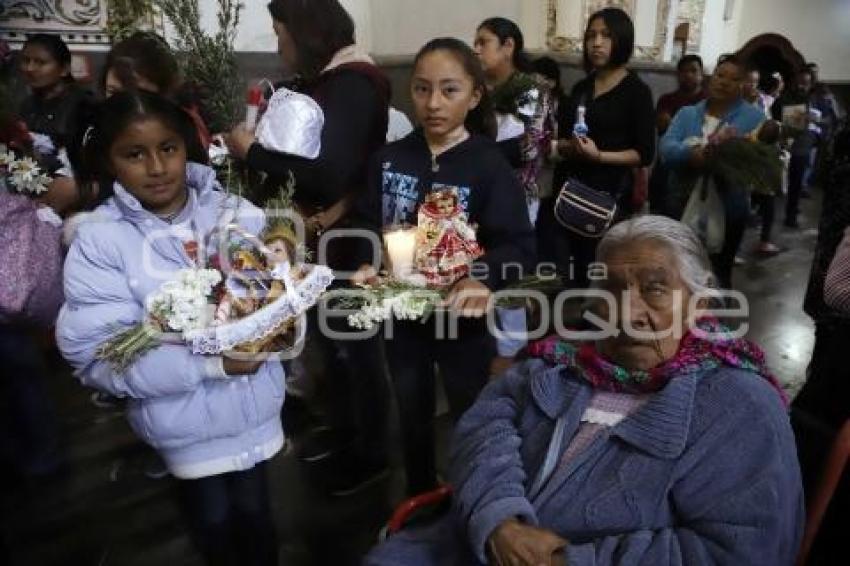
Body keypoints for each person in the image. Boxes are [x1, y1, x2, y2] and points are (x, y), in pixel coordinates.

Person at [365, 215, 803, 566]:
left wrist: (564, 560)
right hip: (478, 542)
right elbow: (484, 428)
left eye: (654, 289)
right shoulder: (562, 359)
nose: (627, 310)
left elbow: (740, 550)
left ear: (700, 302)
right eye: (611, 288)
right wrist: (501, 523)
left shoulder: (739, 404)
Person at [56, 91, 282, 566]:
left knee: (259, 517)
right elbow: (97, 354)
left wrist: (282, 314)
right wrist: (213, 364)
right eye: (134, 154)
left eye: (168, 148)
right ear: (109, 160)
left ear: (187, 146)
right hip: (185, 427)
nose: (156, 167)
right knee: (214, 523)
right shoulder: (101, 241)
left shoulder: (233, 213)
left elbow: (275, 297)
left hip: (256, 411)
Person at [224, 0, 392, 495]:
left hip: (349, 238)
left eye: (280, 33)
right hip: (326, 234)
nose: (279, 45)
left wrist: (251, 152)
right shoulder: (332, 81)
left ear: (306, 32)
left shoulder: (354, 83)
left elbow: (332, 171)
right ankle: (344, 432)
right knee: (332, 345)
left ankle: (373, 454)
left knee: (357, 350)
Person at [354, 37, 535, 495]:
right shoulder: (390, 159)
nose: (433, 103)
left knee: (471, 413)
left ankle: (478, 500)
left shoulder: (488, 166)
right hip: (403, 320)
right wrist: (365, 261)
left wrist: (481, 276)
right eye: (421, 89)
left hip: (463, 323)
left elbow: (517, 244)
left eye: (449, 90)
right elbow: (364, 222)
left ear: (474, 96)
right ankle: (418, 495)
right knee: (411, 411)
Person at [551, 7, 655, 287]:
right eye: (591, 35)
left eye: (606, 36)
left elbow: (644, 153)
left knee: (598, 273)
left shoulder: (637, 92)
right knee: (562, 274)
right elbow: (563, 136)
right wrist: (566, 146)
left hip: (606, 198)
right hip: (568, 192)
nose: (596, 43)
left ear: (622, 40)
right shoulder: (581, 88)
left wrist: (599, 156)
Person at [660, 54, 766, 289]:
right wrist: (690, 154)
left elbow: (760, 165)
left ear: (743, 84)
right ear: (711, 78)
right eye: (720, 75)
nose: (724, 82)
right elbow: (666, 148)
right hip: (682, 201)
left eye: (733, 78)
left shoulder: (754, 118)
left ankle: (716, 321)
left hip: (729, 207)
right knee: (680, 269)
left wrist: (727, 160)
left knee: (719, 272)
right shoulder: (688, 113)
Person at [474, 17, 552, 225]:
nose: (476, 50)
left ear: (508, 46)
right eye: (475, 44)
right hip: (478, 188)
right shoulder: (476, 89)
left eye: (484, 42)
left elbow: (530, 145)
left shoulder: (530, 89)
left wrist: (477, 155)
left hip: (517, 191)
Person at [650, 54, 706, 215]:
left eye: (693, 70)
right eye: (683, 71)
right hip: (667, 165)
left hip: (696, 169)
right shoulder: (666, 100)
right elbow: (662, 127)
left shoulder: (708, 101)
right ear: (677, 75)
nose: (688, 75)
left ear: (701, 74)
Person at [742, 66, 781, 255]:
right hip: (742, 160)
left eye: (755, 82)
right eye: (748, 80)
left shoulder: (762, 102)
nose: (752, 85)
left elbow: (768, 124)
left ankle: (764, 240)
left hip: (761, 159)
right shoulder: (734, 104)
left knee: (768, 199)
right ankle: (733, 249)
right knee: (742, 204)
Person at [771, 67, 818, 228]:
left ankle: (791, 215)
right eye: (799, 83)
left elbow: (823, 120)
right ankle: (766, 217)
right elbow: (774, 115)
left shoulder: (813, 99)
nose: (801, 86)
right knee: (776, 183)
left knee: (796, 184)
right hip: (783, 146)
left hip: (803, 147)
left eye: (805, 83)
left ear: (810, 84)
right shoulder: (783, 99)